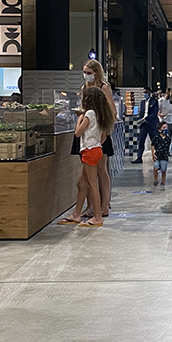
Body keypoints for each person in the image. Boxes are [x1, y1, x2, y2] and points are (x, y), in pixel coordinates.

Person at [57, 86, 115, 227]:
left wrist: (80, 118)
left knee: (92, 185)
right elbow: (103, 137)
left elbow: (78, 132)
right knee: (81, 183)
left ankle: (97, 217)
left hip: (89, 151)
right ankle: (76, 214)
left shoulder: (89, 113)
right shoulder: (100, 114)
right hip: (95, 149)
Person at [78, 60, 116, 219]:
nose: (86, 75)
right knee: (87, 172)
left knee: (101, 169)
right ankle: (90, 206)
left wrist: (104, 131)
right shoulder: (84, 88)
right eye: (84, 72)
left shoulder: (103, 87)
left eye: (89, 72)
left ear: (96, 72)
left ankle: (104, 204)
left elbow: (112, 111)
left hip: (100, 132)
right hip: (87, 133)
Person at [132, 88, 159, 163]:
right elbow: (141, 112)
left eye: (146, 92)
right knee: (141, 141)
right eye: (144, 93)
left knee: (154, 140)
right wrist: (140, 120)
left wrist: (147, 119)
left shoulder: (154, 101)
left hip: (152, 124)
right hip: (144, 124)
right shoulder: (142, 102)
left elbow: (155, 113)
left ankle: (158, 155)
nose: (145, 94)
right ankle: (139, 157)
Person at [151, 122, 171, 186]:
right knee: (156, 168)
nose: (165, 129)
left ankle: (163, 181)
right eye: (164, 128)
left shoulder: (168, 138)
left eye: (166, 128)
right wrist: (153, 153)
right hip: (157, 155)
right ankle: (155, 180)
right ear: (159, 130)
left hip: (164, 156)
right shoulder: (156, 138)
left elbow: (170, 146)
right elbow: (153, 145)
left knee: (163, 170)